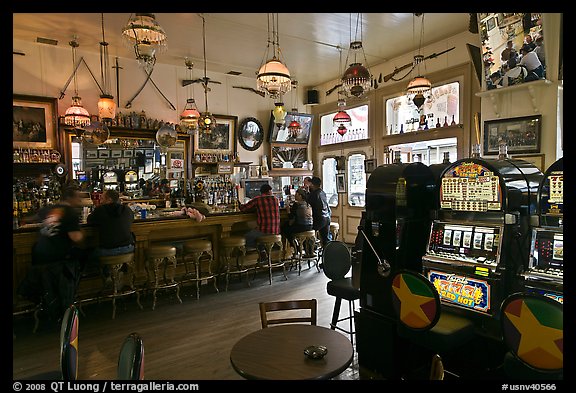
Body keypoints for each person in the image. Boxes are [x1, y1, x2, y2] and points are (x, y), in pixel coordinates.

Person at [17, 186, 84, 323]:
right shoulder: (70, 213)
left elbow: (33, 218)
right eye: (78, 197)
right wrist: (84, 234)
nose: (80, 199)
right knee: (84, 258)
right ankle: (69, 307)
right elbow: (75, 237)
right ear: (71, 198)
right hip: (58, 260)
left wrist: (22, 221)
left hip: (39, 258)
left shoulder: (49, 209)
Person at [87, 189, 134, 257]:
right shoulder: (126, 209)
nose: (100, 200)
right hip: (128, 249)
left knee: (88, 254)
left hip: (107, 250)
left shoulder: (100, 210)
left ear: (109, 199)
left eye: (102, 198)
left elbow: (89, 221)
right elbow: (131, 219)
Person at [238, 183, 280, 248]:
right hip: (276, 231)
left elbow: (243, 208)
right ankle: (266, 250)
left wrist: (239, 204)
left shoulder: (258, 199)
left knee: (247, 236)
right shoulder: (276, 200)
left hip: (263, 230)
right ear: (269, 191)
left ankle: (259, 251)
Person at [307, 176, 332, 248]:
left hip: (318, 219)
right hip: (327, 217)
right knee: (326, 239)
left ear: (312, 184)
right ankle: (327, 253)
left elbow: (307, 204)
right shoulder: (322, 192)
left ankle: (310, 249)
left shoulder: (314, 194)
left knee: (307, 230)